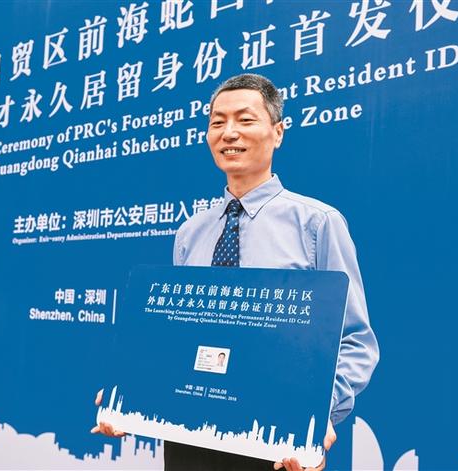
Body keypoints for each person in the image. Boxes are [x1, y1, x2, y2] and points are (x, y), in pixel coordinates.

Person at [93, 73, 379, 471]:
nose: (229, 133)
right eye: (217, 122)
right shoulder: (190, 231)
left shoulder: (317, 224)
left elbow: (355, 341)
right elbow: (176, 335)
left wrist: (316, 414)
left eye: (245, 120)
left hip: (275, 440)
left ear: (277, 133)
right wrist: (132, 391)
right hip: (188, 437)